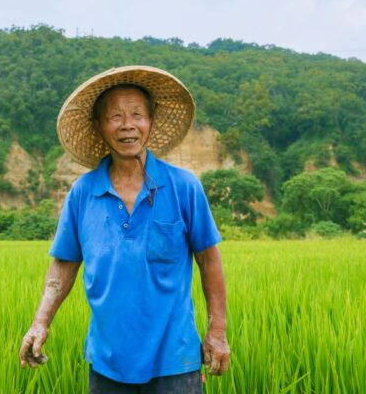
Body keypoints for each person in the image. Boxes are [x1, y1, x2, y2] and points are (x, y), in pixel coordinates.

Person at [18, 66, 230, 393]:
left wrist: (217, 332)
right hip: (107, 362)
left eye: (137, 115)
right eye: (115, 116)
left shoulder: (183, 187)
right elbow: (63, 264)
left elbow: (209, 259)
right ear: (99, 126)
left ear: (151, 122)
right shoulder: (83, 194)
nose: (127, 125)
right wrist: (40, 322)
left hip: (175, 361)